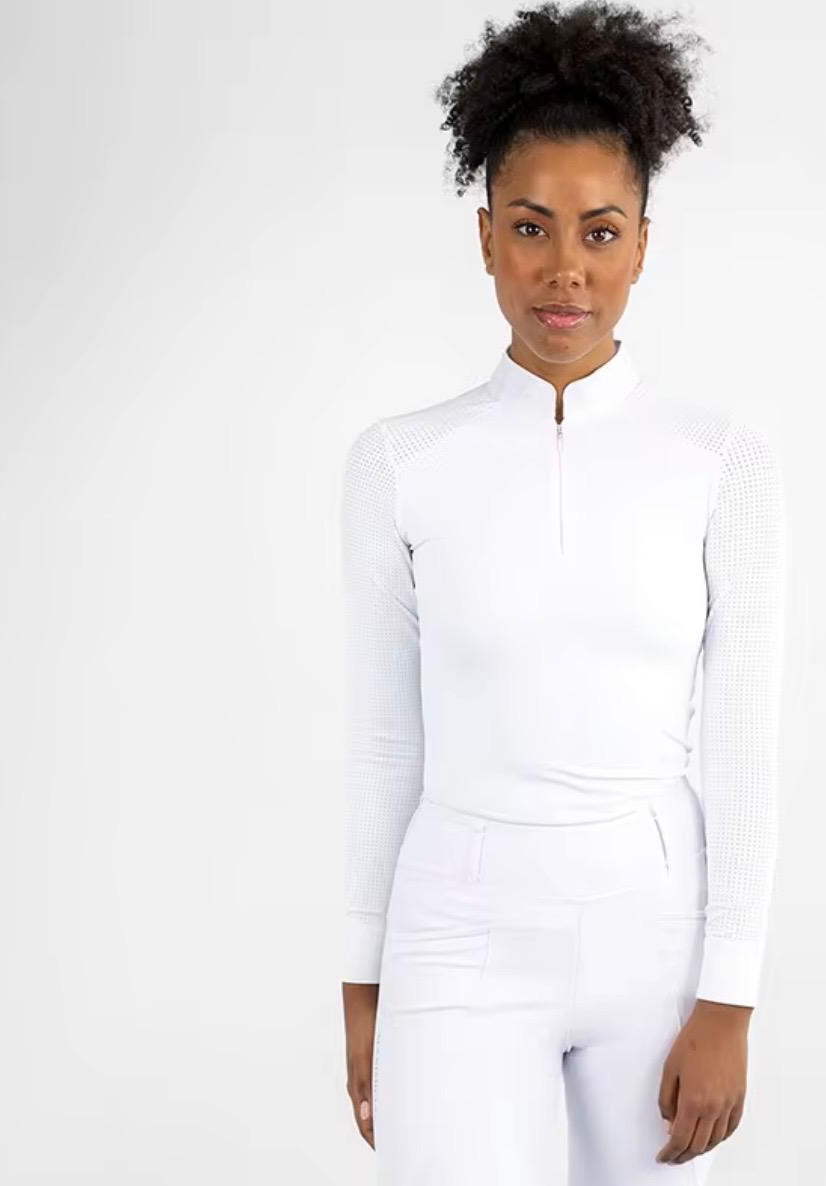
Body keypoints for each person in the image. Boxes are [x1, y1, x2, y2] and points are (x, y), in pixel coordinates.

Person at [340, 3, 786, 1182]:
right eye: (532, 228)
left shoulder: (721, 462)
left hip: (655, 930)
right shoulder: (399, 463)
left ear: (643, 243)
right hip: (456, 927)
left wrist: (731, 995)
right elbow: (384, 736)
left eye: (600, 230)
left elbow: (743, 737)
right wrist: (361, 978)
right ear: (486, 236)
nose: (565, 269)